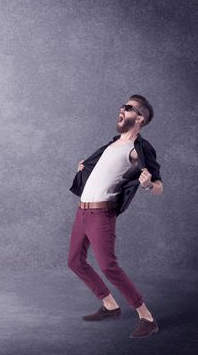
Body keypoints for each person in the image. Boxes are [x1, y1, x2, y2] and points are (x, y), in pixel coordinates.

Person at [68, 94, 163, 338]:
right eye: (122, 105)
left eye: (129, 108)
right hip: (83, 211)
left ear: (139, 118)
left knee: (108, 266)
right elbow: (101, 170)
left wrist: (149, 184)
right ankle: (110, 305)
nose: (122, 108)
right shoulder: (112, 143)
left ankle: (147, 317)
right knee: (75, 262)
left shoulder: (137, 148)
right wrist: (85, 167)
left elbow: (158, 185)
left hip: (101, 213)